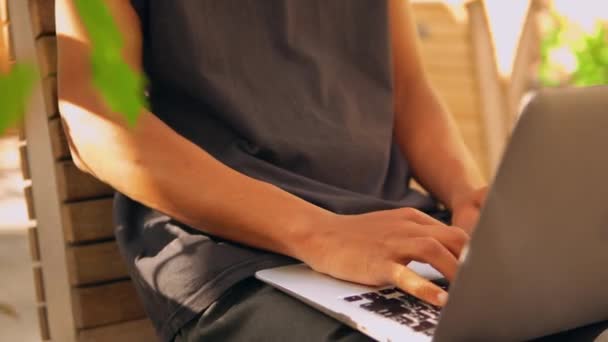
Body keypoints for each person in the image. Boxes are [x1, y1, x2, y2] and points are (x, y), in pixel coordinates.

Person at [55, 1, 607, 341]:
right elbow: (98, 123)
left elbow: (408, 94)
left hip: (396, 238)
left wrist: (464, 192)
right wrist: (321, 233)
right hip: (238, 261)